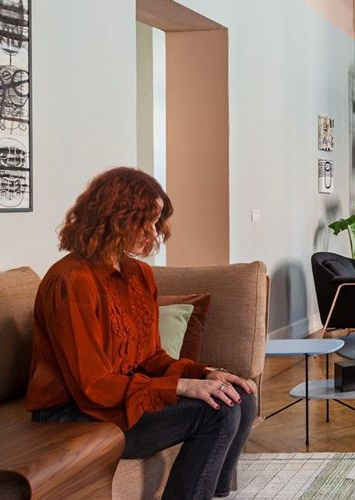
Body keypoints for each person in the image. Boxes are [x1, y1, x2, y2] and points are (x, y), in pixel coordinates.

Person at [25, 167, 257, 499]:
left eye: (155, 221)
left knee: (240, 397)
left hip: (120, 398)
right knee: (218, 412)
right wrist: (180, 386)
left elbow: (151, 357)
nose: (151, 231)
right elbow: (92, 386)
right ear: (113, 217)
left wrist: (204, 373)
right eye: (144, 221)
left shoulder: (138, 274)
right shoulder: (70, 281)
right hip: (73, 413)